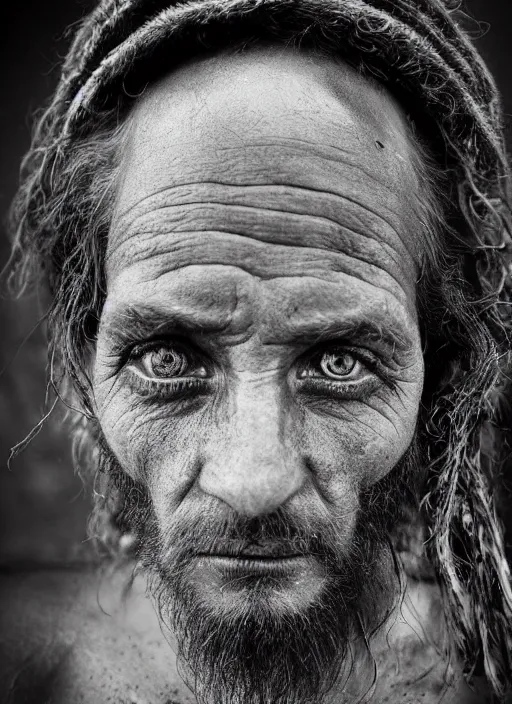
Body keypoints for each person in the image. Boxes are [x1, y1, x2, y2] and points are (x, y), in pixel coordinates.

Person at [2, 1, 512, 702]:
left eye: (340, 362)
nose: (252, 482)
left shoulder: (493, 676)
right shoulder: (23, 662)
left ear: (441, 371)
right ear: (86, 363)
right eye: (169, 358)